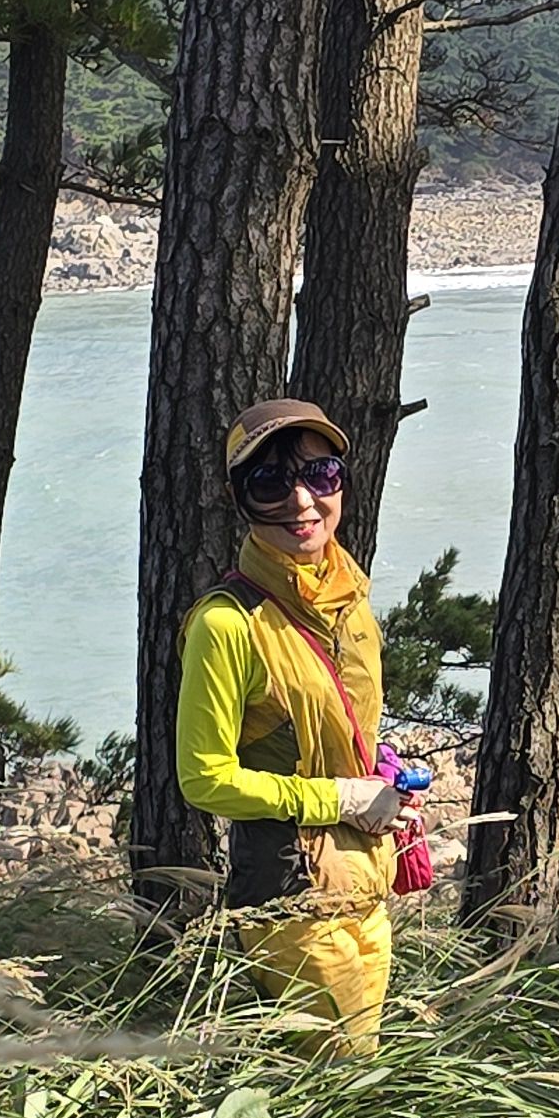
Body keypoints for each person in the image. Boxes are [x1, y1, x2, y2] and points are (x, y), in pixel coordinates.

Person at [174, 398, 409, 1051]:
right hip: (292, 894)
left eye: (321, 474)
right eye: (271, 482)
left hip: (367, 875)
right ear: (239, 499)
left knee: (359, 1069)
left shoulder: (348, 599)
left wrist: (380, 772)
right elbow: (204, 779)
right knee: (338, 1074)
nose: (302, 500)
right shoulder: (226, 625)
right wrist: (343, 797)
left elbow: (338, 723)